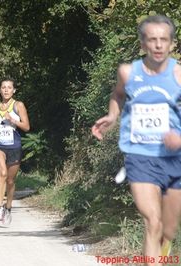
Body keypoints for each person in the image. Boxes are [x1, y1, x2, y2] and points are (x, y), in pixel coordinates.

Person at [92, 15, 181, 264]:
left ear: (172, 44)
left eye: (164, 40)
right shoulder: (128, 72)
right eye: (152, 40)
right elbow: (118, 95)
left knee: (166, 229)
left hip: (174, 159)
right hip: (140, 156)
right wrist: (112, 116)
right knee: (153, 220)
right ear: (142, 45)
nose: (158, 45)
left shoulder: (178, 74)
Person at [0, 78, 30, 225]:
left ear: (14, 90)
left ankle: (8, 207)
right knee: (2, 173)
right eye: (3, 88)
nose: (6, 90)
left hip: (14, 146)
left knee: (11, 181)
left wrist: (12, 120)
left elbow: (26, 127)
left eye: (9, 88)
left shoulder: (18, 105)